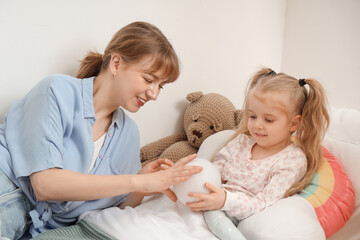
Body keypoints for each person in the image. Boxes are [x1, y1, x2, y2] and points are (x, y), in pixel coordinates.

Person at [0, 21, 202, 239]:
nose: (154, 94)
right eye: (148, 79)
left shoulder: (128, 135)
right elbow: (45, 184)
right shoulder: (57, 91)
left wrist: (139, 190)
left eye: (160, 86)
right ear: (116, 63)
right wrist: (138, 181)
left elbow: (112, 212)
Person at [186, 68, 330, 239]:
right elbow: (216, 170)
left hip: (236, 211)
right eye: (253, 116)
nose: (256, 125)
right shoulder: (242, 142)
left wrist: (225, 200)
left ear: (294, 124)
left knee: (213, 216)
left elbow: (264, 202)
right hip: (215, 198)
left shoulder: (292, 160)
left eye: (268, 120)